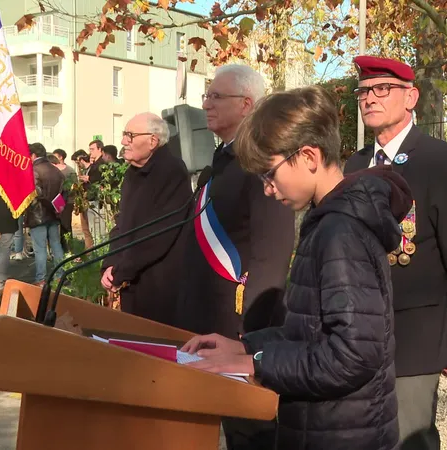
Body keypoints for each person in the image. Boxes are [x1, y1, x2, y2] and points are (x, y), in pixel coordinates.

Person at [182, 86, 409, 450]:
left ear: (308, 156)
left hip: (342, 434)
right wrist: (245, 346)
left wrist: (257, 364)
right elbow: (311, 332)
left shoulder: (341, 231)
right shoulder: (329, 221)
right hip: (327, 427)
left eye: (270, 174)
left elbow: (352, 355)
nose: (268, 189)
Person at [343, 56, 447, 448]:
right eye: (364, 91)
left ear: (411, 97)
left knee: (409, 439)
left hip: (415, 333)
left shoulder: (439, 160)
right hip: (357, 334)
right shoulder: (354, 165)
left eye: (382, 89)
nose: (370, 98)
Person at [175, 64, 296, 450]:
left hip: (239, 326)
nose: (206, 104)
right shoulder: (221, 160)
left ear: (246, 105)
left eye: (216, 97)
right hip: (209, 321)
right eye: (205, 96)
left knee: (250, 432)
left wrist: (252, 335)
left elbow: (271, 252)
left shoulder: (259, 161)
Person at [100, 113, 192, 325]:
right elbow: (121, 224)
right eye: (124, 135)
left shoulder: (171, 171)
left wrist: (121, 271)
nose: (123, 142)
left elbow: (159, 234)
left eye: (130, 135)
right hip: (130, 278)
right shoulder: (133, 172)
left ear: (153, 140)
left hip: (159, 285)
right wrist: (110, 263)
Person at [24, 143, 65, 287]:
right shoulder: (56, 170)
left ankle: (41, 278)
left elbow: (34, 192)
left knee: (40, 248)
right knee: (56, 245)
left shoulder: (33, 170)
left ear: (33, 155)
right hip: (54, 212)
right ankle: (60, 276)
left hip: (37, 214)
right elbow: (63, 191)